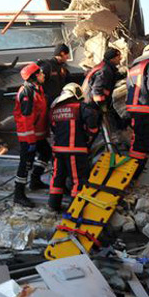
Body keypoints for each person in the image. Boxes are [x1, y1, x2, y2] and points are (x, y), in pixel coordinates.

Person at [49, 83, 99, 211]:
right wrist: (90, 133)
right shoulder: (80, 107)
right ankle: (74, 208)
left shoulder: (55, 109)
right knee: (78, 179)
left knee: (57, 177)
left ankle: (53, 205)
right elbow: (92, 121)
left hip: (58, 151)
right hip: (75, 150)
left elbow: (53, 128)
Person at [13, 62, 51, 208]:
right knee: (25, 164)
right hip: (28, 135)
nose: (43, 74)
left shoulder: (38, 89)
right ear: (34, 77)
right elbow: (26, 118)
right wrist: (30, 141)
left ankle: (35, 180)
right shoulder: (27, 93)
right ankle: (18, 194)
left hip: (38, 134)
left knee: (46, 152)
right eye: (40, 73)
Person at [126, 44, 149, 179]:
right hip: (146, 108)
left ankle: (132, 172)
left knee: (139, 138)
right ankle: (135, 173)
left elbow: (128, 87)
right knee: (141, 142)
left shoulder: (134, 67)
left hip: (134, 108)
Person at [83, 48, 123, 129]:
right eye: (119, 57)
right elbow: (97, 89)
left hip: (92, 101)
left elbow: (110, 78)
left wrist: (122, 74)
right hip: (92, 104)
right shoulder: (105, 70)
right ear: (113, 58)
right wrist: (102, 106)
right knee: (103, 125)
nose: (120, 59)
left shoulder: (105, 67)